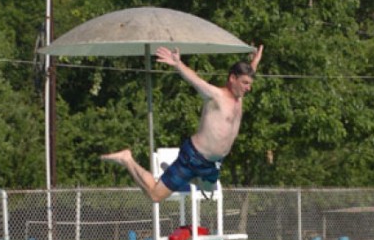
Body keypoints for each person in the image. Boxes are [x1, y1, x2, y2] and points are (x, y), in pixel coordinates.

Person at [101, 44, 263, 202]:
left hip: (214, 163)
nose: (248, 88)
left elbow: (248, 74)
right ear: (232, 78)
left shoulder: (239, 98)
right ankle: (126, 159)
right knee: (155, 195)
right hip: (193, 158)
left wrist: (254, 62)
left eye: (249, 84)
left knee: (208, 189)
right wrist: (178, 64)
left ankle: (192, 178)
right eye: (245, 83)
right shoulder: (215, 96)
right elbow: (195, 80)